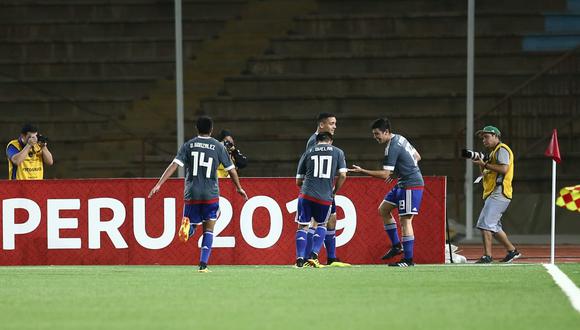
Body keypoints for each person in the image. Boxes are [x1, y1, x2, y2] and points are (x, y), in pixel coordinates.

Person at [148, 116, 248, 273]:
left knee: (191, 222)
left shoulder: (189, 145)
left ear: (197, 129)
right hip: (210, 193)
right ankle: (203, 265)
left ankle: (189, 229)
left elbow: (174, 165)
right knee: (209, 228)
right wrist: (239, 188)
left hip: (192, 192)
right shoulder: (217, 146)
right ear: (211, 129)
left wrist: (159, 184)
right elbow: (231, 169)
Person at [349, 118, 423, 267]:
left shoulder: (392, 147)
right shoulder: (400, 138)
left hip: (411, 185)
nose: (375, 137)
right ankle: (397, 246)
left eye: (377, 134)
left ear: (386, 132)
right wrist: (398, 172)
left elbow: (384, 174)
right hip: (403, 182)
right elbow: (417, 156)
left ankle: (408, 260)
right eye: (374, 134)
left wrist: (362, 171)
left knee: (406, 221)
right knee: (384, 209)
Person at [303, 113, 350, 267]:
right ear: (321, 125)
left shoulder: (325, 143)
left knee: (332, 219)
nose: (334, 126)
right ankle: (307, 258)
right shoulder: (313, 142)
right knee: (316, 223)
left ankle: (331, 258)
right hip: (318, 190)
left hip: (326, 189)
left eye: (335, 123)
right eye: (331, 123)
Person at [471, 125, 521, 264]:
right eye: (483, 138)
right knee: (494, 226)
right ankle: (512, 251)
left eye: (486, 137)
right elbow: (485, 175)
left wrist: (485, 164)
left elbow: (504, 169)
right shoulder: (493, 153)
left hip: (500, 192)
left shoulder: (502, 149)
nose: (484, 140)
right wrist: (482, 164)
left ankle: (487, 256)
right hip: (494, 192)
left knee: (485, 224)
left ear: (496, 136)